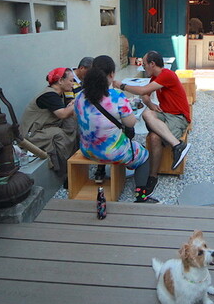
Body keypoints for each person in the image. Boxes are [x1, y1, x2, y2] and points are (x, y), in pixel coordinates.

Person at [73, 55, 158, 203]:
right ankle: (141, 195)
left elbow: (78, 117)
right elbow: (130, 123)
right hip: (112, 152)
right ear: (112, 74)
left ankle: (100, 173)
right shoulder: (116, 96)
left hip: (87, 150)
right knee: (143, 154)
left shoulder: (80, 96)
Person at [113, 51, 191, 193]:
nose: (143, 67)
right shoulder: (155, 77)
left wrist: (121, 86)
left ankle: (155, 173)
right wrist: (150, 104)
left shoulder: (167, 74)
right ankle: (176, 146)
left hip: (178, 117)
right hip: (165, 114)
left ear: (152, 64)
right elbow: (145, 95)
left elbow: (142, 90)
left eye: (144, 64)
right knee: (147, 113)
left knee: (155, 137)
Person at [20, 67, 79, 180]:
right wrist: (78, 101)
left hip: (47, 127)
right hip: (33, 133)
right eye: (71, 80)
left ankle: (73, 163)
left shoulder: (59, 94)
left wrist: (71, 105)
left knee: (73, 122)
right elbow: (62, 114)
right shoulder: (49, 95)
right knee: (58, 134)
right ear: (60, 81)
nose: (73, 84)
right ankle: (65, 172)